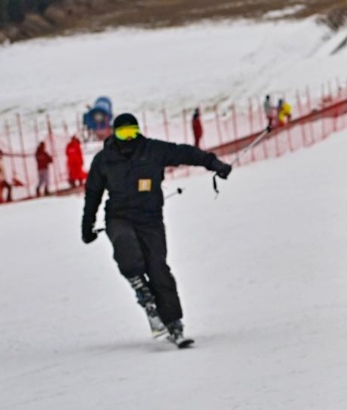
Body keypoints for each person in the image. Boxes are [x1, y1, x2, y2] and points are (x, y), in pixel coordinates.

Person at [80, 113, 233, 345]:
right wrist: (87, 225)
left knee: (158, 268)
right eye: (123, 133)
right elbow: (93, 193)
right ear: (115, 133)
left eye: (132, 132)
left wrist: (214, 164)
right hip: (119, 216)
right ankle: (143, 291)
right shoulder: (104, 159)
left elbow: (185, 152)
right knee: (125, 246)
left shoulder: (152, 150)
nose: (129, 138)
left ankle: (173, 323)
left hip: (150, 219)